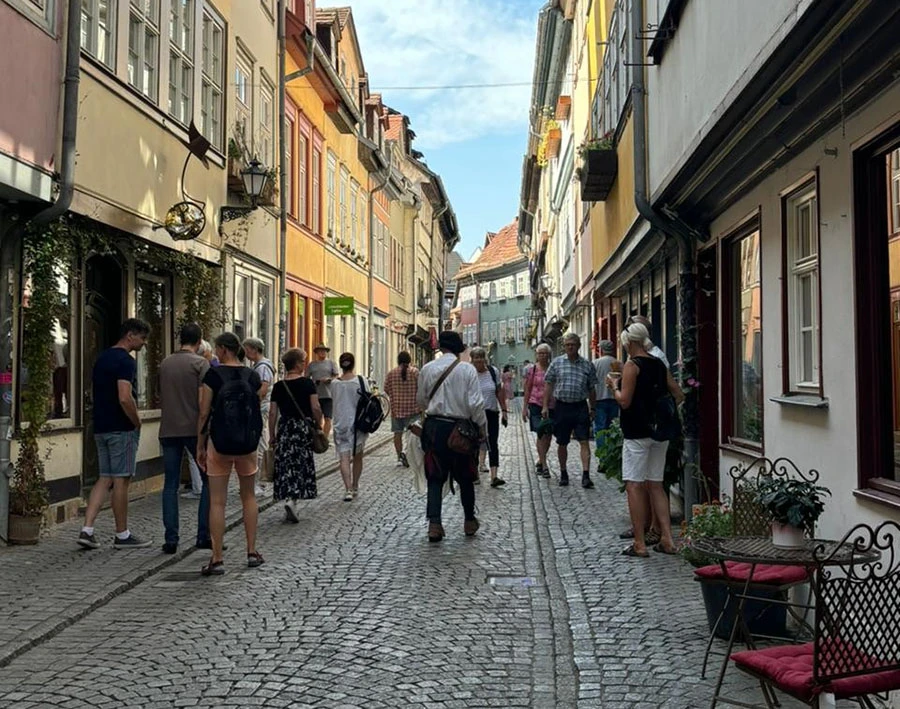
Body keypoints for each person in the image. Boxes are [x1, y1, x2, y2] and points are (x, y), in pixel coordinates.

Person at [608, 322, 684, 557]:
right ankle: (667, 539)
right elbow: (678, 394)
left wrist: (613, 386)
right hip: (660, 433)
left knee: (634, 485)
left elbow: (624, 401)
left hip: (637, 432)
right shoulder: (659, 363)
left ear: (629, 343)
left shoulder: (632, 365)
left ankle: (640, 543)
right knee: (656, 485)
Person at [77, 319, 153, 550]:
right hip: (121, 428)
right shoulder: (125, 361)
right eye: (142, 338)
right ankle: (122, 534)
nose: (144, 343)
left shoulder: (102, 358)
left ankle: (87, 529)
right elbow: (124, 396)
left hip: (101, 426)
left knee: (105, 476)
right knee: (121, 479)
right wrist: (136, 420)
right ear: (130, 335)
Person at [196, 332, 265, 575]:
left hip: (220, 443)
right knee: (249, 497)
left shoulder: (213, 375)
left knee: (218, 501)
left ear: (224, 350)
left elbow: (204, 413)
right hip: (247, 444)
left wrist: (200, 444)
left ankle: (217, 558)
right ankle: (251, 551)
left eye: (217, 349)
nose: (215, 353)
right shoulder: (252, 375)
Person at [417, 331, 486, 542]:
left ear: (440, 347)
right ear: (459, 348)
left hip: (435, 429)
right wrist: (482, 428)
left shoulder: (427, 369)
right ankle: (468, 521)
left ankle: (435, 524)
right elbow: (475, 403)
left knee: (435, 476)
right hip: (460, 430)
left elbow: (421, 401)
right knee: (465, 475)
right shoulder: (467, 370)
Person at [158, 322, 211, 554]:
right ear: (199, 342)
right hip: (193, 429)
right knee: (208, 482)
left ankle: (171, 538)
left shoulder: (165, 363)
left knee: (170, 484)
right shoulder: (201, 364)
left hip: (168, 429)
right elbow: (203, 403)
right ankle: (203, 535)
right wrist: (203, 435)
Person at [269, 348, 322, 523]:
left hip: (285, 427)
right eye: (302, 361)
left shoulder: (278, 386)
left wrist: (272, 434)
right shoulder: (307, 384)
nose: (304, 364)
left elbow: (272, 413)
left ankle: (288, 499)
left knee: (286, 463)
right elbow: (315, 407)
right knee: (300, 463)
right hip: (302, 428)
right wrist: (318, 424)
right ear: (297, 364)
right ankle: (293, 500)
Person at [542, 332, 597, 489]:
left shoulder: (587, 365)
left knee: (584, 440)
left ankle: (586, 475)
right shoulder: (557, 363)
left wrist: (593, 407)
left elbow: (592, 388)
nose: (570, 347)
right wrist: (545, 406)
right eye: (567, 345)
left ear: (579, 346)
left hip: (580, 406)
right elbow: (548, 384)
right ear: (564, 347)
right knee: (562, 442)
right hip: (562, 406)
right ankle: (563, 472)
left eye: (573, 344)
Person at [331, 352, 368, 501]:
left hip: (340, 423)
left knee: (343, 457)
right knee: (358, 456)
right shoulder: (360, 381)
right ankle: (355, 485)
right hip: (358, 424)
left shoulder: (334, 383)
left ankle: (347, 489)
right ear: (353, 364)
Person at [470, 347, 507, 488]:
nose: (479, 360)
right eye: (476, 357)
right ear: (472, 360)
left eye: (481, 357)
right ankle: (475, 474)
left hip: (491, 412)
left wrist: (504, 410)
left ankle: (494, 476)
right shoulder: (470, 374)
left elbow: (499, 391)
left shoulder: (493, 372)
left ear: (485, 358)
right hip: (475, 414)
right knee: (474, 444)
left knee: (493, 443)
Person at [242, 338, 275, 497]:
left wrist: (250, 404)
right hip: (260, 408)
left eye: (247, 350)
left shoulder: (262, 367)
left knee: (260, 445)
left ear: (255, 350)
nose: (246, 353)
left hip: (260, 409)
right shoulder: (260, 365)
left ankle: (260, 483)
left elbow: (263, 390)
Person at [523, 343, 554, 478]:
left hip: (552, 405)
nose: (542, 355)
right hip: (535, 404)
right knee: (540, 433)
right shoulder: (533, 370)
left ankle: (541, 459)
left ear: (548, 355)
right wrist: (524, 407)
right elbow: (528, 388)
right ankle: (544, 464)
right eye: (539, 353)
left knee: (548, 435)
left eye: (544, 353)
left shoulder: (553, 368)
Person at [383, 351, 419, 468]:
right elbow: (422, 388)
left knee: (397, 434)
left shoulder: (391, 373)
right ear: (409, 360)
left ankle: (399, 456)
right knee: (412, 435)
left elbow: (386, 389)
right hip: (413, 410)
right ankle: (409, 454)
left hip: (396, 410)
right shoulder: (415, 372)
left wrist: (395, 396)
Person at [592, 339, 621, 468]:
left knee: (600, 430)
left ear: (601, 350)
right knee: (611, 429)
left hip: (599, 400)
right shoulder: (619, 363)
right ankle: (611, 458)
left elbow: (591, 384)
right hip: (615, 399)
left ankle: (603, 460)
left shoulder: (595, 363)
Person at [308, 344, 339, 439]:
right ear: (316, 352)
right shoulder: (312, 365)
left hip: (328, 394)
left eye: (324, 351)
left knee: (328, 417)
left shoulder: (331, 363)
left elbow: (336, 376)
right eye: (320, 351)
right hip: (315, 395)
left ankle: (325, 439)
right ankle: (318, 437)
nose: (322, 353)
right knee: (317, 418)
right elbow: (306, 378)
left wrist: (329, 379)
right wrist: (315, 382)